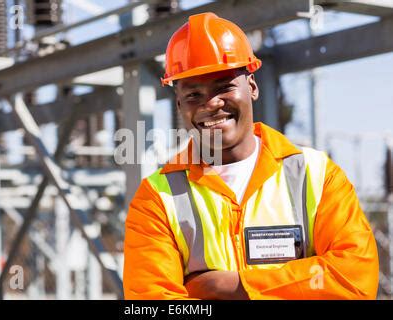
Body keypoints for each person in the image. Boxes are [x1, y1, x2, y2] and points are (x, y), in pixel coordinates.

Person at [123, 12, 379, 300]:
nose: (212, 104)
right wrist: (300, 283)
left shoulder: (318, 176)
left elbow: (355, 281)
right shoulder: (156, 199)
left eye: (224, 86)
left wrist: (226, 287)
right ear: (179, 104)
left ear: (252, 87)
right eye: (194, 94)